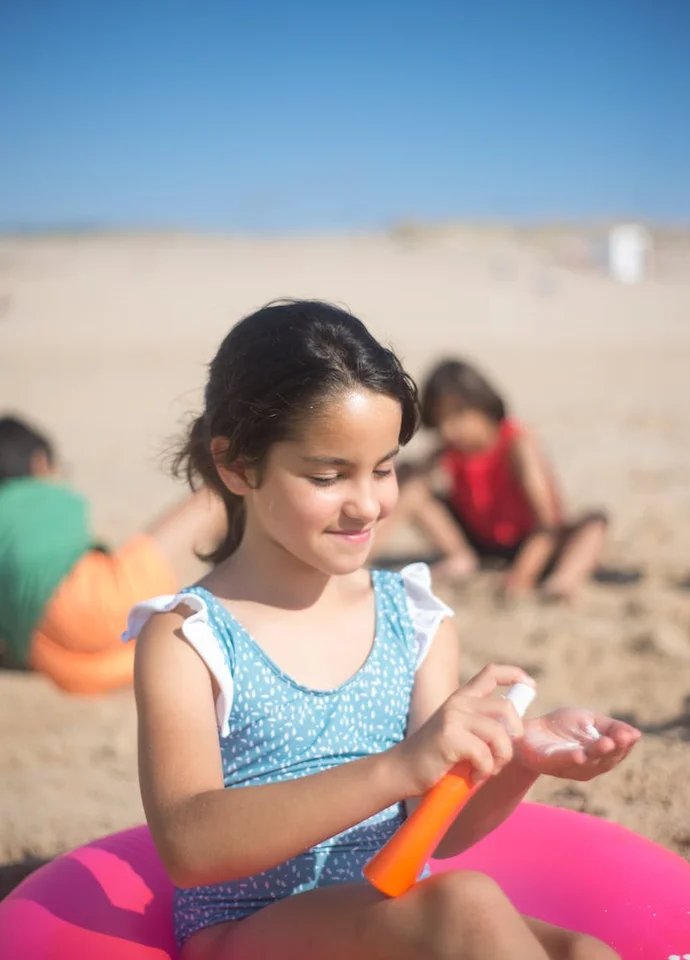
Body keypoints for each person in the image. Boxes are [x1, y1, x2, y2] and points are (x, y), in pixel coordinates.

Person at [125, 300, 639, 960]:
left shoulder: (412, 618)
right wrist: (398, 767)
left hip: (393, 915)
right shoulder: (190, 639)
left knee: (583, 952)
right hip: (248, 925)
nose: (367, 504)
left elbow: (438, 834)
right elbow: (189, 847)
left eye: (385, 468)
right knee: (467, 904)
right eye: (328, 475)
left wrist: (514, 761)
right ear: (236, 466)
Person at [0, 415, 225, 694]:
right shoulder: (38, 494)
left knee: (149, 650)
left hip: (53, 655)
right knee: (218, 494)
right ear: (40, 463)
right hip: (94, 603)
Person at [373, 360, 608, 600]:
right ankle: (446, 557)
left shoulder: (517, 444)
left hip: (531, 542)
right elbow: (410, 483)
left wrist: (522, 575)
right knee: (413, 490)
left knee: (594, 524)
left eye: (457, 415)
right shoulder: (450, 450)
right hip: (477, 539)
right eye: (441, 420)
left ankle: (563, 581)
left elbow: (546, 524)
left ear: (482, 404)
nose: (448, 430)